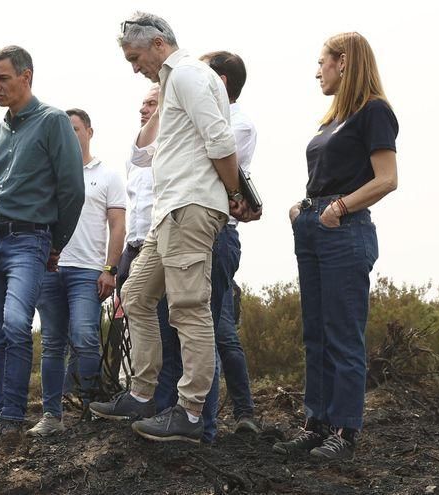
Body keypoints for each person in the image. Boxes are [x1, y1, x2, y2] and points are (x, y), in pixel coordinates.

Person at [90, 12, 249, 444]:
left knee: (188, 309)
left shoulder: (189, 74)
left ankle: (191, 412)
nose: (133, 66)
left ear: (159, 44)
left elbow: (220, 139)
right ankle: (142, 393)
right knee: (137, 295)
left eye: (135, 56)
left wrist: (236, 193)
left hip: (191, 206)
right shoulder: (176, 81)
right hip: (169, 211)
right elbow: (149, 152)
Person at [274, 32, 397, 460]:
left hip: (344, 229)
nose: (317, 71)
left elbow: (387, 179)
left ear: (343, 62)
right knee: (315, 334)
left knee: (343, 335)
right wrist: (301, 208)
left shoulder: (374, 111)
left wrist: (339, 207)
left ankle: (344, 432)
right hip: (312, 225)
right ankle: (316, 422)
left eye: (322, 62)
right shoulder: (332, 120)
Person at [0, 46, 84, 452]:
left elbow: (72, 190)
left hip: (30, 240)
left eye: (3, 78)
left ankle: (13, 422)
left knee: (16, 324)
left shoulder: (52, 122)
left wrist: (56, 242)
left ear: (26, 77)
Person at [28, 109, 126, 437]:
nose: (71, 136)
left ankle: (91, 408)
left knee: (85, 335)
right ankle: (51, 416)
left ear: (89, 131)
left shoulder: (108, 175)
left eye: (75, 129)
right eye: (65, 131)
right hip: (51, 269)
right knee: (53, 342)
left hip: (88, 270)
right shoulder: (48, 175)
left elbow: (117, 225)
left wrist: (111, 269)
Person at [199, 50, 261, 434]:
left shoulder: (238, 124)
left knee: (218, 329)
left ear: (220, 82)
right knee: (204, 327)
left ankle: (241, 414)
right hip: (195, 229)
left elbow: (210, 159)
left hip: (218, 233)